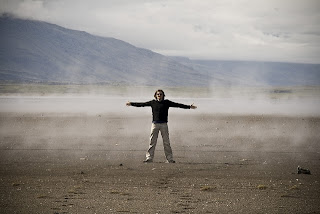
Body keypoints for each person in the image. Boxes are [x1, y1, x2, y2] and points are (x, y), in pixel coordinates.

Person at [126, 89, 197, 163]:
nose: (159, 95)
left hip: (164, 125)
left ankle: (169, 159)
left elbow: (178, 105)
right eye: (158, 94)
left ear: (163, 95)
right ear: (155, 95)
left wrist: (189, 107)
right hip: (155, 124)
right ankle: (149, 158)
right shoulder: (152, 102)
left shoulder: (167, 102)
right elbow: (142, 104)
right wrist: (131, 103)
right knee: (152, 142)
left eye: (160, 94)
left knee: (166, 142)